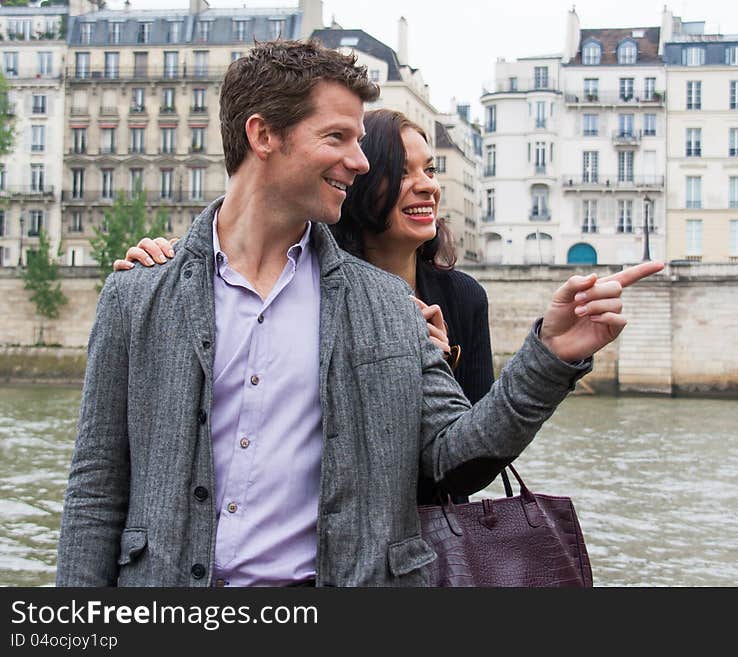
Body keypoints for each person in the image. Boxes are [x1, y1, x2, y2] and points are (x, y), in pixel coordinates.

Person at [56, 39, 662, 587]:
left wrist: (551, 357)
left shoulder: (387, 303)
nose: (362, 160)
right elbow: (95, 494)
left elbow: (454, 453)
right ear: (264, 135)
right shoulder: (138, 296)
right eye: (337, 137)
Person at [116, 108, 495, 505]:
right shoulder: (304, 285)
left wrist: (437, 367)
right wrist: (167, 263)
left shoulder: (464, 298)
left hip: (433, 541)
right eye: (401, 173)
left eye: (430, 171)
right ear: (356, 186)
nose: (426, 187)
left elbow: (471, 465)